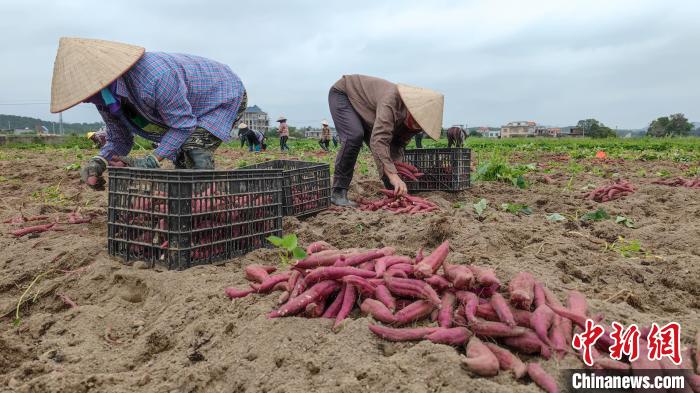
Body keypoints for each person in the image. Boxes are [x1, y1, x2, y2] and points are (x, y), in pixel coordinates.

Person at [49, 37, 247, 190]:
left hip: (222, 96)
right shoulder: (103, 97)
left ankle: (205, 203)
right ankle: (194, 201)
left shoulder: (155, 79)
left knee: (192, 150)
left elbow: (183, 126)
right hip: (190, 107)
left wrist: (151, 160)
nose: (84, 99)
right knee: (182, 161)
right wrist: (99, 160)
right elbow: (120, 139)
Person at [328, 74, 443, 206]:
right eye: (416, 121)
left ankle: (393, 189)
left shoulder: (416, 126)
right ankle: (338, 192)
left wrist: (397, 174)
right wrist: (393, 175)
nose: (416, 127)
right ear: (412, 110)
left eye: (420, 126)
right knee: (354, 136)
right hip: (345, 94)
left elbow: (397, 145)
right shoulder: (391, 100)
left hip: (368, 111)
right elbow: (379, 140)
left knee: (389, 154)